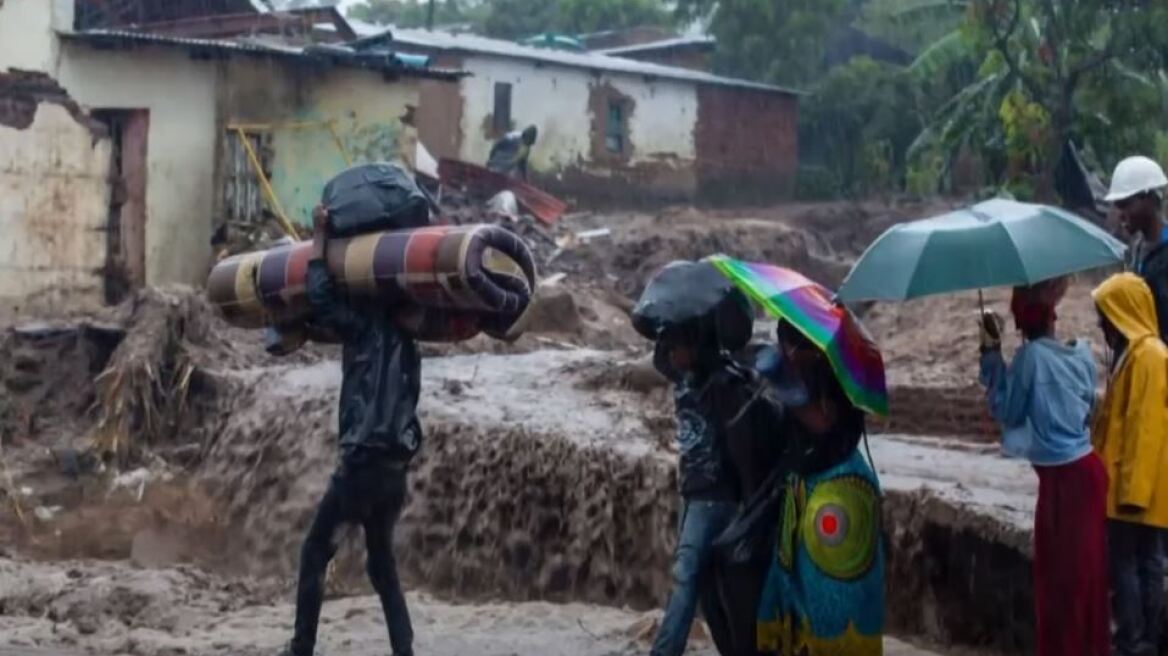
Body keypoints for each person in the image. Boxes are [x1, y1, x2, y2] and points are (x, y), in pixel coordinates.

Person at [280, 204, 423, 656]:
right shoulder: (410, 346)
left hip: (361, 464)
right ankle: (405, 651)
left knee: (314, 551)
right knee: (382, 566)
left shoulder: (362, 329)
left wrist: (319, 239)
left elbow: (320, 296)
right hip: (395, 469)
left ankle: (302, 647)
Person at [978, 279, 1109, 656]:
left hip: (1064, 484)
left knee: (1060, 584)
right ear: (1053, 316)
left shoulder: (1030, 359)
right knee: (1087, 579)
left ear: (1020, 323)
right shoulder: (1081, 353)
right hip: (1086, 473)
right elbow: (1085, 407)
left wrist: (991, 356)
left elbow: (1008, 411)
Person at [755, 320, 884, 656]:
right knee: (802, 598)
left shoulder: (829, 376)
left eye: (787, 346)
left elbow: (824, 424)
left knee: (834, 603)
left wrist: (788, 391)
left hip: (837, 494)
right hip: (812, 487)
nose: (784, 353)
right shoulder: (818, 368)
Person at [1092, 272, 1168, 656]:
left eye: (1105, 315)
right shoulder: (1133, 356)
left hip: (1136, 488)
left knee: (1135, 564)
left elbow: (1145, 427)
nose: (1101, 324)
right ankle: (1140, 637)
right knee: (1141, 561)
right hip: (1128, 483)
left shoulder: (1149, 356)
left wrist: (1132, 492)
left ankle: (1138, 639)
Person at [1107, 155, 1168, 337]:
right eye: (1117, 206)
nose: (1120, 215)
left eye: (1125, 205)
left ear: (1149, 199)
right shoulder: (1136, 250)